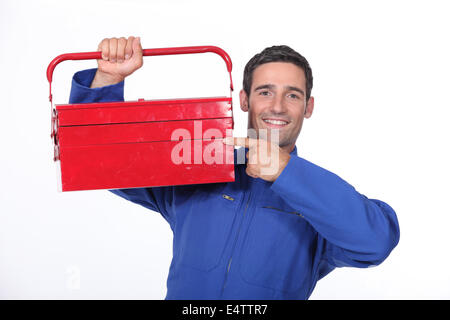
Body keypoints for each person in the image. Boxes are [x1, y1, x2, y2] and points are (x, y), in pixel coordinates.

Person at [68, 36, 400, 299]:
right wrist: (106, 80)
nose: (277, 106)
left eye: (293, 96)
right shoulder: (195, 168)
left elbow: (376, 241)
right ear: (244, 100)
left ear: (308, 107)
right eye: (265, 92)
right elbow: (100, 163)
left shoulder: (318, 201)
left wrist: (287, 172)